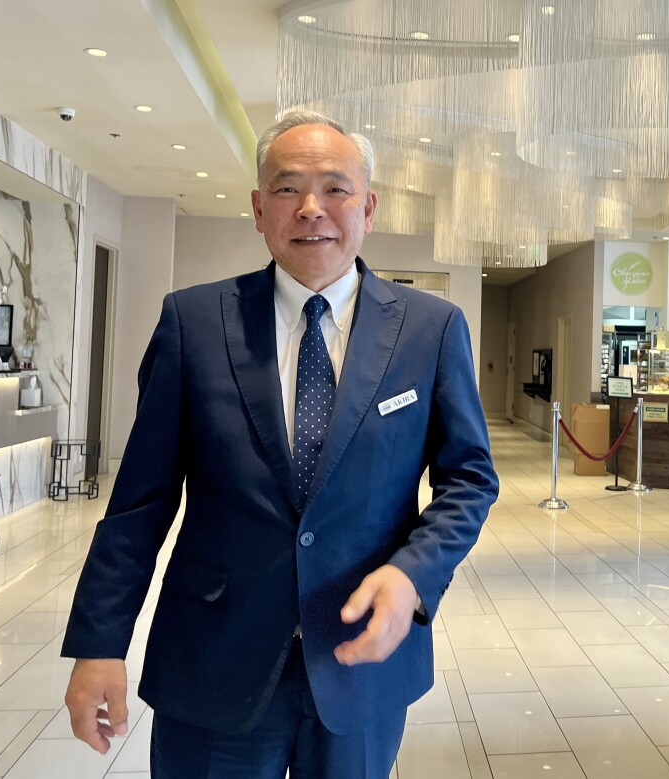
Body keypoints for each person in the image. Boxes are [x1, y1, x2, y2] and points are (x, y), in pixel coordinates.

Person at [61, 110, 499, 778]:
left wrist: (413, 575)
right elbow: (139, 502)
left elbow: (469, 476)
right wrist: (99, 642)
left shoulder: (430, 329)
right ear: (259, 209)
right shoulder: (195, 322)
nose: (312, 208)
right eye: (289, 188)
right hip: (213, 660)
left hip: (360, 665)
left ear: (369, 207)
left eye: (336, 188)